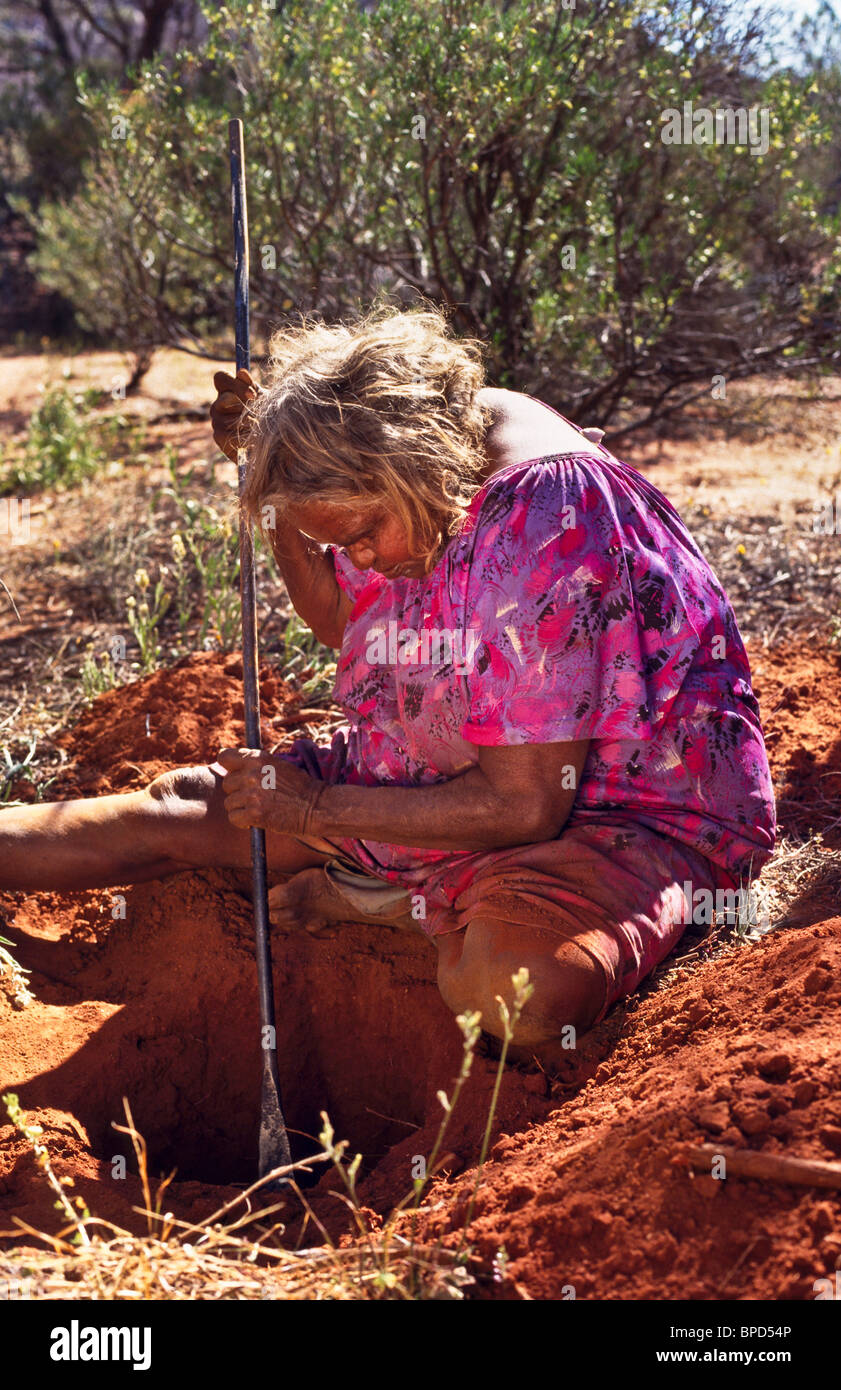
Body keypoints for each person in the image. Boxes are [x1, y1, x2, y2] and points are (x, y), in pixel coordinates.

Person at [0, 304, 775, 1055]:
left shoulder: (542, 514)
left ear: (408, 468)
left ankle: (395, 902)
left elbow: (528, 805)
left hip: (620, 808)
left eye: (364, 534)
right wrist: (275, 492)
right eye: (344, 541)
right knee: (175, 814)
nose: (361, 559)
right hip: (436, 768)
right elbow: (352, 624)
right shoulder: (422, 462)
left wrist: (316, 808)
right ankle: (402, 888)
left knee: (518, 994)